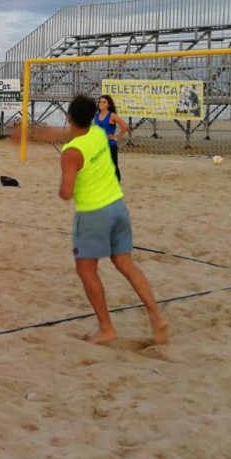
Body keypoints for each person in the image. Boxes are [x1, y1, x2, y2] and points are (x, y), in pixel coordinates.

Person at [13, 94, 169, 345]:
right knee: (126, 265)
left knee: (86, 271)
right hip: (118, 206)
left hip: (93, 214)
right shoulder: (98, 132)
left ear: (69, 117)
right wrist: (33, 133)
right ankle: (157, 317)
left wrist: (64, 183)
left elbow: (66, 193)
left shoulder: (71, 152)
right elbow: (66, 134)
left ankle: (106, 328)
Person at [93, 94, 129, 181]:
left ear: (108, 105)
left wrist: (116, 137)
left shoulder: (112, 115)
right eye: (100, 102)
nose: (101, 103)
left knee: (113, 166)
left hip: (110, 145)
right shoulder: (96, 115)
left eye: (104, 102)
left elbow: (125, 126)